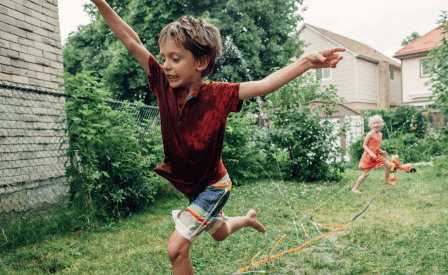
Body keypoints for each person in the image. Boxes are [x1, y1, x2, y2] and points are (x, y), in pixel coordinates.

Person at [90, 1, 345, 274]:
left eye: (175, 59)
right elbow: (131, 41)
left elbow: (264, 84)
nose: (165, 65)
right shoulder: (163, 83)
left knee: (176, 249)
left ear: (201, 61)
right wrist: (99, 2)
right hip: (192, 188)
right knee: (220, 232)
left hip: (214, 186)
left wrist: (306, 62)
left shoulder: (219, 95)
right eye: (163, 58)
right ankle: (247, 219)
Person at [351, 115, 395, 194]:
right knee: (365, 174)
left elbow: (376, 146)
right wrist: (370, 153)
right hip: (368, 156)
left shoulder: (380, 134)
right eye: (374, 123)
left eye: (377, 123)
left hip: (376, 155)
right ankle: (355, 188)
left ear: (381, 124)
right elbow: (364, 145)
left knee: (389, 165)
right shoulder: (370, 134)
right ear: (371, 125)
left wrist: (381, 151)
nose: (376, 125)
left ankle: (386, 180)